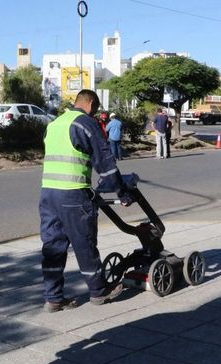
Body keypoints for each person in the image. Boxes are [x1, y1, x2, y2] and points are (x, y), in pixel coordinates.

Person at [39, 89, 130, 313]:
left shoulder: (55, 123)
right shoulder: (84, 123)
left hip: (48, 194)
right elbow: (104, 161)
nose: (96, 114)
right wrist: (122, 192)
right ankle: (99, 292)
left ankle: (53, 298)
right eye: (96, 110)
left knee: (53, 247)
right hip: (73, 194)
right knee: (84, 243)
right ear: (90, 104)